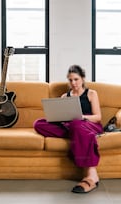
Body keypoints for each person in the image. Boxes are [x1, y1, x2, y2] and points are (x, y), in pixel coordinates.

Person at [33, 64, 103, 193]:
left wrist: (82, 117)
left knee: (76, 123)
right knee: (38, 123)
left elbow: (98, 117)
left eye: (76, 79)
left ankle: (91, 175)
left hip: (89, 124)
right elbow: (62, 116)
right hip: (70, 125)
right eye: (70, 80)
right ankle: (76, 133)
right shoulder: (65, 96)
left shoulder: (91, 93)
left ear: (82, 79)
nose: (73, 83)